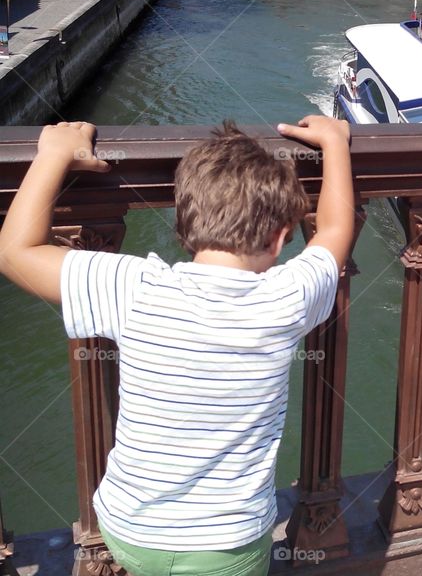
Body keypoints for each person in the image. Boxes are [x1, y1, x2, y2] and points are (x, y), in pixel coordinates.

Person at [0, 117, 354, 576]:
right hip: (226, 546)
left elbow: (15, 252)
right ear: (280, 237)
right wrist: (334, 143)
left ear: (183, 221)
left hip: (129, 529)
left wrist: (54, 153)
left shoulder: (135, 287)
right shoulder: (289, 299)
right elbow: (334, 229)